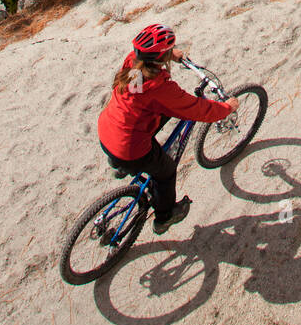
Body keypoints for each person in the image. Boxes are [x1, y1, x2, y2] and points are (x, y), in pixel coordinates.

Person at [98, 23, 239, 234]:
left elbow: (148, 66)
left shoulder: (132, 66)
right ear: (160, 56)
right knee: (166, 172)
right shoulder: (160, 89)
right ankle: (164, 217)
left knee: (149, 112)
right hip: (129, 149)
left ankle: (119, 166)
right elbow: (197, 109)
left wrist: (170, 54)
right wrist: (226, 108)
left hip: (108, 131)